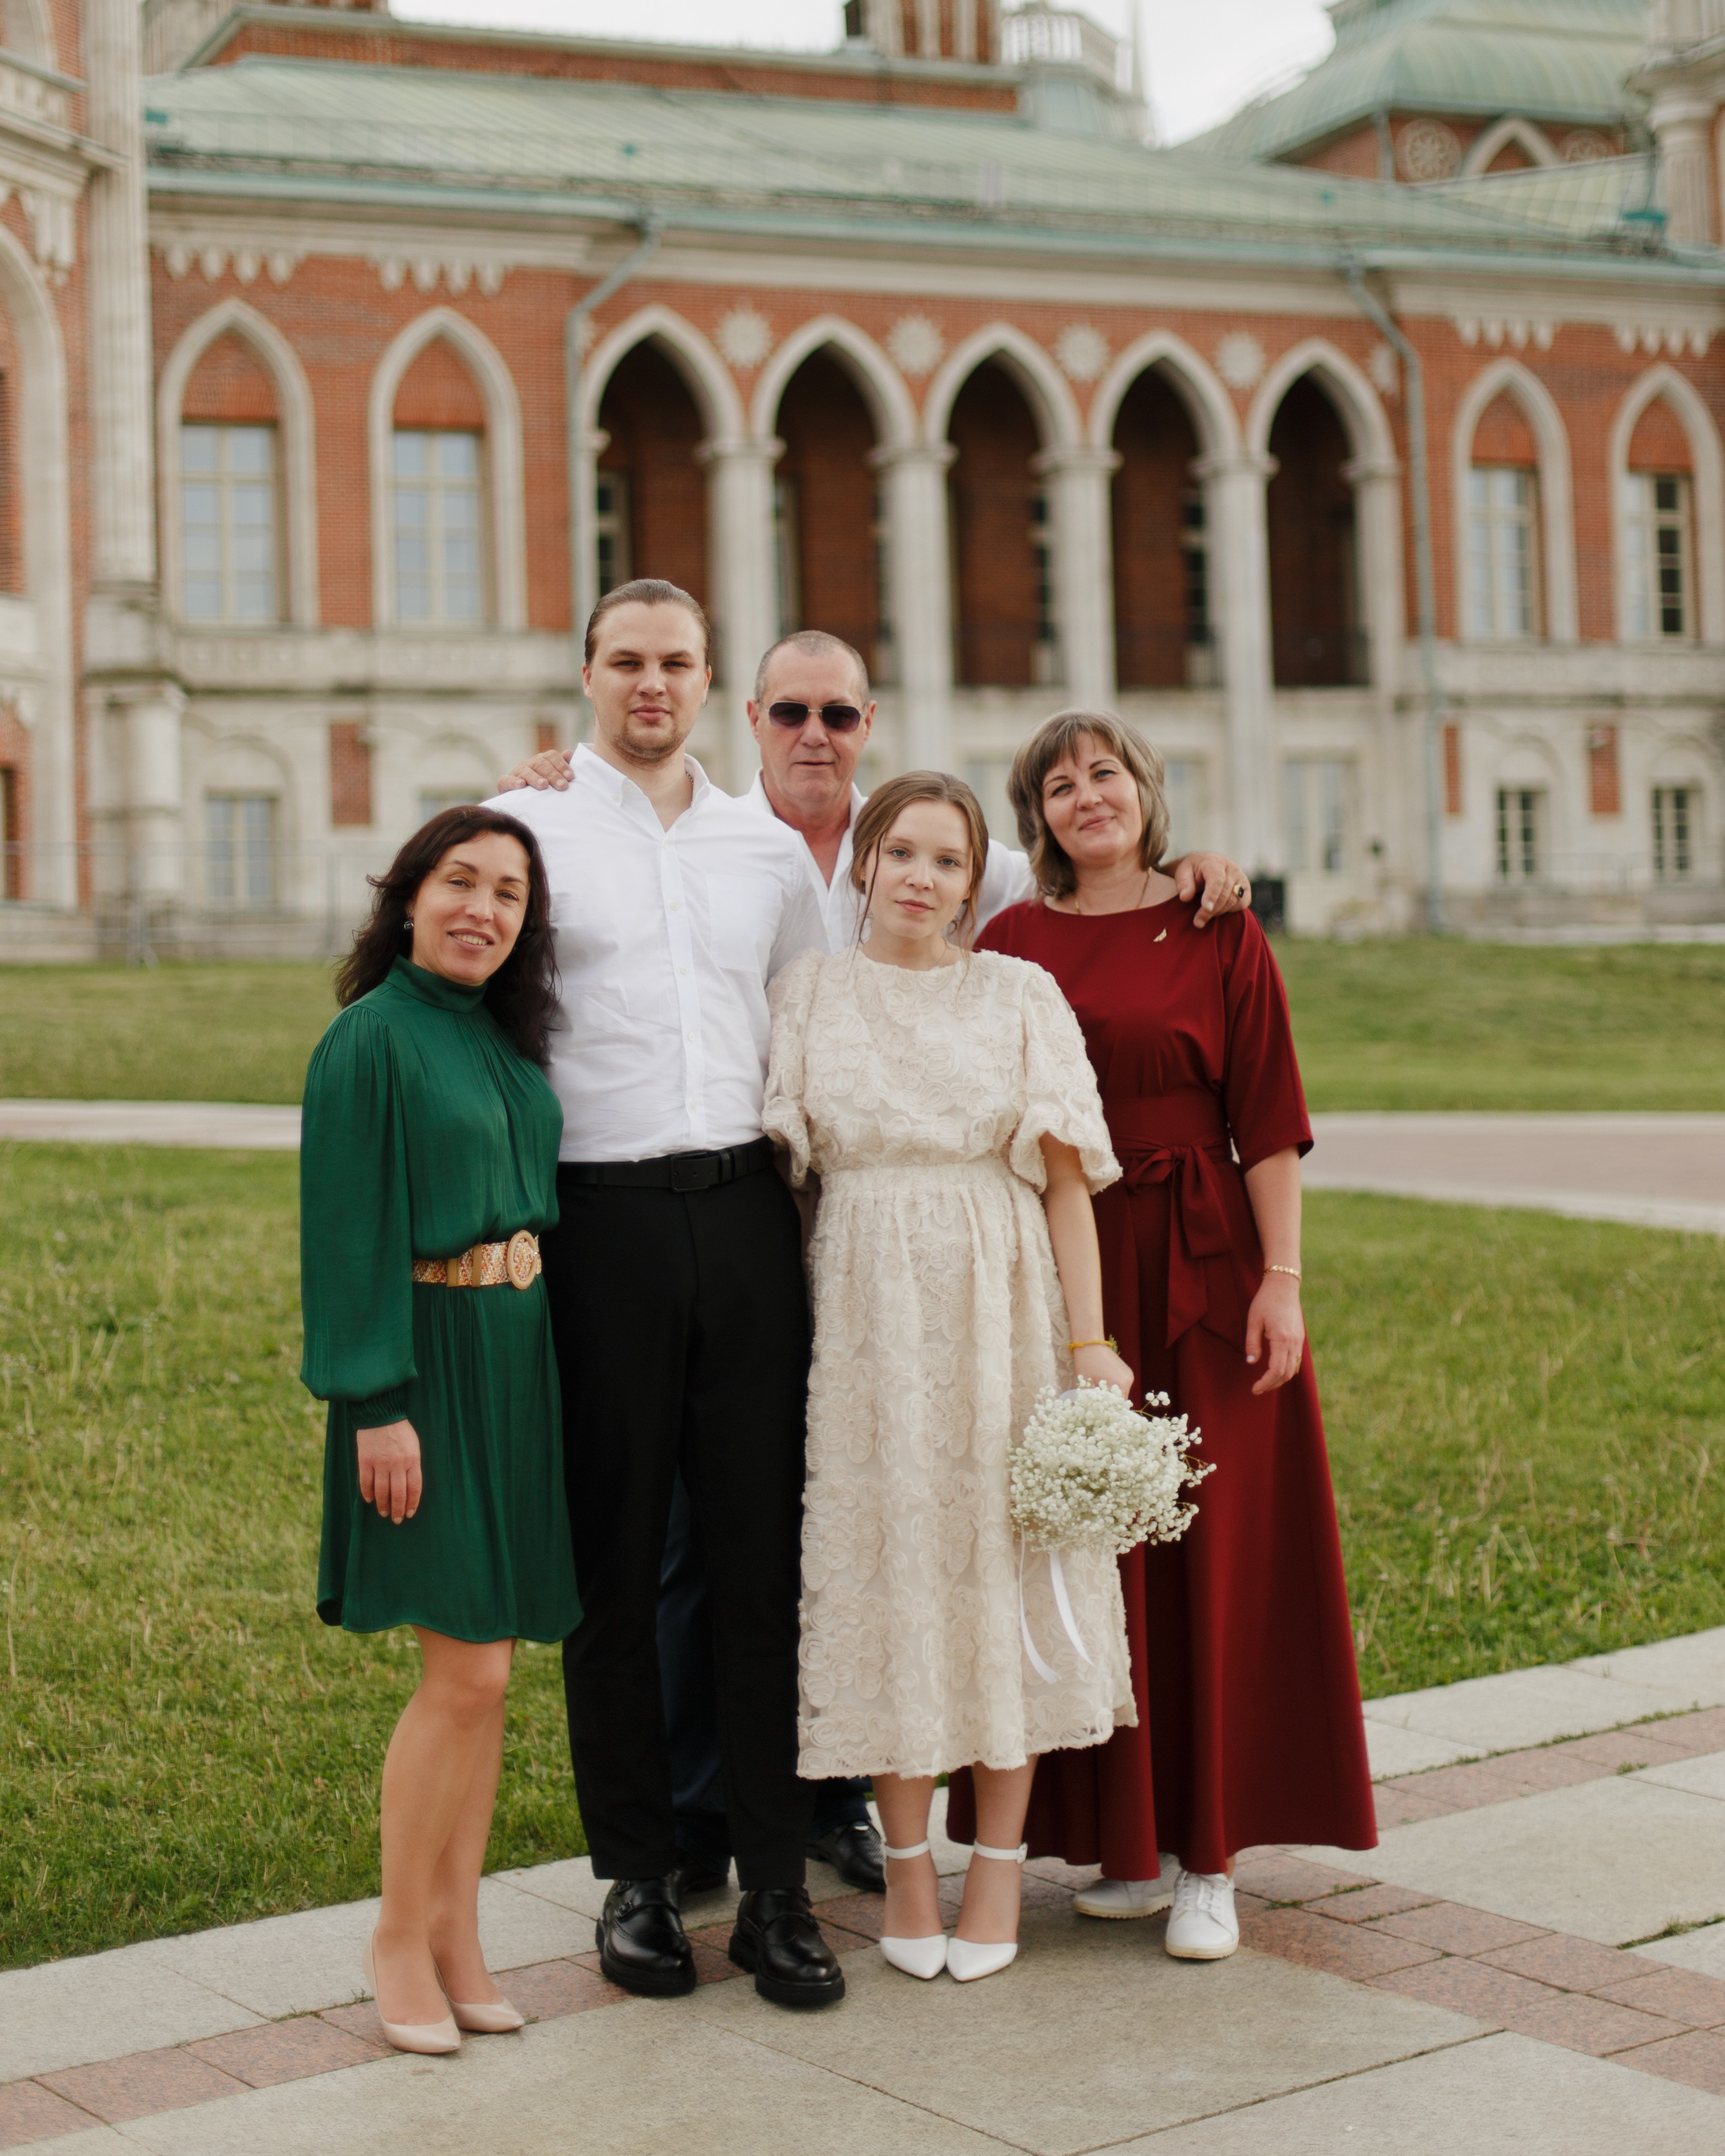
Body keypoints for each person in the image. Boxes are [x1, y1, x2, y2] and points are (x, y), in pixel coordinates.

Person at [497, 630, 1253, 1899]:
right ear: (747, 716)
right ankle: (685, 1834)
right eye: (790, 709)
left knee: (817, 1544)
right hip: (703, 1233)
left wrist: (1192, 863)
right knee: (698, 1547)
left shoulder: (940, 857)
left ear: (867, 723)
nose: (814, 732)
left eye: (839, 713)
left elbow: (1083, 858)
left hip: (893, 1261)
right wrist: (536, 782)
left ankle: (831, 1812)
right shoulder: (655, 826)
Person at [946, 711, 1377, 1961]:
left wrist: (1281, 1279)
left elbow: (1271, 1120)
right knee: (1087, 1549)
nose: (1090, 795)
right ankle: (1122, 1847)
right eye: (1062, 782)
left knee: (1215, 1551)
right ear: (1039, 814)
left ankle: (1209, 1856)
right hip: (1067, 1273)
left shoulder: (1217, 924)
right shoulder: (1011, 938)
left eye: (1109, 774)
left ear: (1148, 790)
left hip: (1203, 1265)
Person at [486, 578, 846, 2010]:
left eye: (676, 662)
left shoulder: (766, 848)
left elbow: (816, 1028)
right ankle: (634, 1879)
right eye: (625, 661)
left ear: (710, 685)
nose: (650, 684)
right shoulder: (524, 824)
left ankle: (772, 1891)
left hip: (746, 1215)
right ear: (584, 674)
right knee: (617, 1565)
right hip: (600, 1220)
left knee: (761, 1561)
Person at [765, 771, 1137, 1985]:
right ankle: (908, 1878)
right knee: (894, 1581)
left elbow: (1071, 1185)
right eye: (902, 852)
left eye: (948, 859)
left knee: (1002, 1580)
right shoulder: (809, 993)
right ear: (863, 863)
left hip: (1004, 1309)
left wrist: (1091, 1348)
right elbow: (793, 1190)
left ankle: (997, 1875)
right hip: (868, 1325)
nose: (922, 877)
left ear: (977, 880)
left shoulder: (1021, 993)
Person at [300, 806, 580, 2056]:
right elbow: (346, 1230)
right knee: (460, 1674)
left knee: (493, 1678)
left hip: (518, 1365)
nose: (482, 909)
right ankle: (397, 1938)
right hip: (421, 1367)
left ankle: (462, 1935)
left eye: (509, 894)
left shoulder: (508, 1042)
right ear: (407, 896)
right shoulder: (369, 1041)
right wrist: (377, 1406)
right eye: (459, 882)